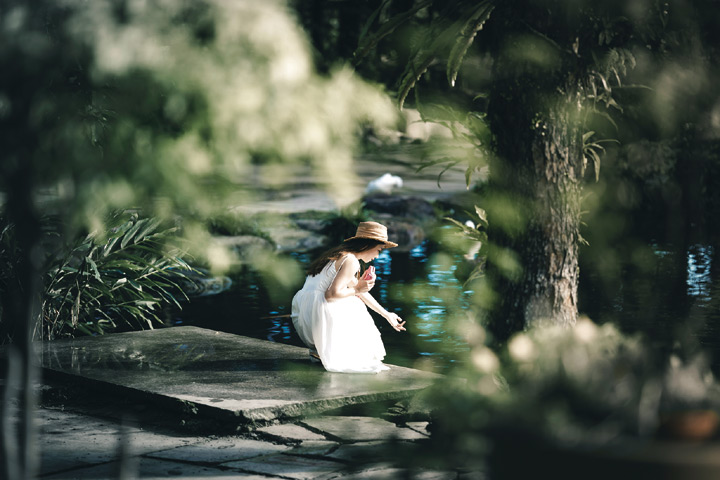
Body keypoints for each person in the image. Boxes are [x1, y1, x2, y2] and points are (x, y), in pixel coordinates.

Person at [291, 221, 406, 373]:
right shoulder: (351, 261)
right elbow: (332, 295)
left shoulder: (338, 255)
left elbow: (359, 292)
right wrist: (358, 287)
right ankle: (333, 351)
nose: (378, 256)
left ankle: (319, 351)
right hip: (318, 314)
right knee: (354, 302)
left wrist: (386, 315)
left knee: (353, 295)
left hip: (306, 313)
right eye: (378, 250)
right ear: (368, 245)